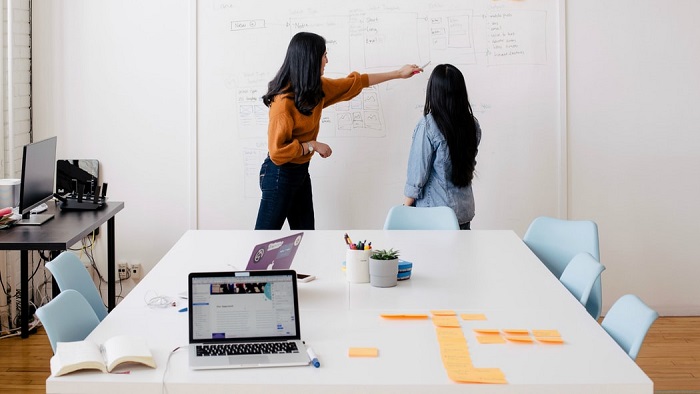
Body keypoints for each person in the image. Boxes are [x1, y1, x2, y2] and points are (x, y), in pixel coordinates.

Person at [255, 32, 422, 230]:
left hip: (300, 172)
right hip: (278, 174)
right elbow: (277, 153)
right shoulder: (283, 104)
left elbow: (356, 82)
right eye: (324, 55)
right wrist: (312, 145)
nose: (327, 60)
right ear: (310, 59)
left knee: (306, 237)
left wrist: (398, 73)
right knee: (264, 241)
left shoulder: (315, 89)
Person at [403, 64, 481, 230]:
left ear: (433, 91)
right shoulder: (472, 124)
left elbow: (417, 175)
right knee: (460, 256)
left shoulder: (428, 125)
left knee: (429, 257)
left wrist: (404, 209)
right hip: (463, 213)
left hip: (434, 215)